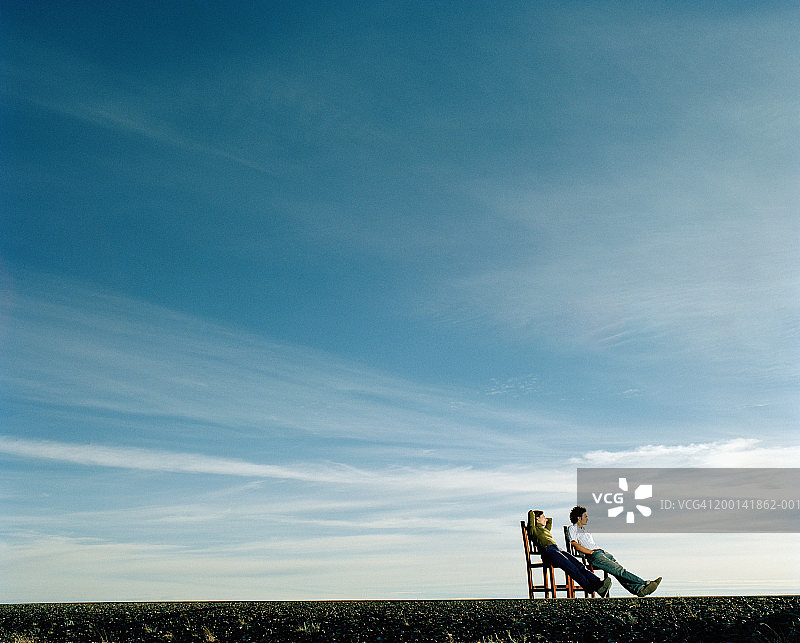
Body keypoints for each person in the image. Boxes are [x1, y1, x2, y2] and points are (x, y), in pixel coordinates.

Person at [568, 505, 662, 597]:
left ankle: (638, 590)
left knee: (618, 571)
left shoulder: (585, 530)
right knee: (619, 570)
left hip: (601, 552)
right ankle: (645, 583)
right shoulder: (572, 528)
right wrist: (591, 552)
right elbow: (575, 545)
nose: (587, 519)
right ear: (579, 518)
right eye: (585, 516)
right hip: (594, 555)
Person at [529, 509, 612, 597]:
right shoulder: (533, 530)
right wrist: (533, 514)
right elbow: (530, 515)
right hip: (548, 551)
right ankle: (589, 587)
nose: (545, 519)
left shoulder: (545, 530)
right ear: (536, 518)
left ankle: (598, 583)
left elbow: (549, 521)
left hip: (557, 549)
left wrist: (544, 518)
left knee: (579, 565)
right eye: (543, 517)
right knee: (572, 568)